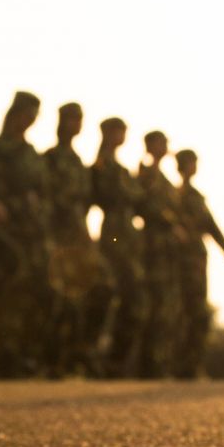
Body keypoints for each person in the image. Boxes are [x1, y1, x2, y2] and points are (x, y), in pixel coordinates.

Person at [0, 91, 52, 376]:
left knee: (37, 289)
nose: (30, 120)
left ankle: (24, 356)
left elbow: (44, 192)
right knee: (8, 288)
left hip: (32, 231)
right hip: (3, 229)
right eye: (26, 114)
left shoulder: (32, 155)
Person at [42, 102, 102, 377]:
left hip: (78, 237)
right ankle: (52, 360)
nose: (75, 124)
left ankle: (76, 355)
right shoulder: (51, 158)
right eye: (70, 119)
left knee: (90, 292)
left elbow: (86, 202)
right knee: (59, 297)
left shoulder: (78, 161)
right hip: (57, 235)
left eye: (79, 119)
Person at [171, 149, 224, 378]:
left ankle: (192, 365)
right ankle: (180, 365)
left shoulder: (196, 196)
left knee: (198, 313)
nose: (194, 166)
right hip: (180, 260)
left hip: (197, 260)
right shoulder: (174, 194)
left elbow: (212, 226)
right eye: (191, 162)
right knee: (183, 312)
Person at [87, 116, 144, 377]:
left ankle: (115, 361)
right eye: (117, 131)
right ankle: (91, 353)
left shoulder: (122, 169)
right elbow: (104, 195)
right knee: (107, 291)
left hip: (128, 239)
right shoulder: (102, 164)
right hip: (113, 237)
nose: (121, 136)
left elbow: (138, 200)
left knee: (133, 299)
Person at [137, 130, 183, 377]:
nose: (166, 147)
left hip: (167, 250)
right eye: (162, 142)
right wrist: (170, 224)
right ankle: (148, 365)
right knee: (153, 304)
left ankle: (160, 363)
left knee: (166, 306)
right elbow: (145, 205)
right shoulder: (146, 173)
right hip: (152, 246)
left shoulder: (164, 178)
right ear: (151, 145)